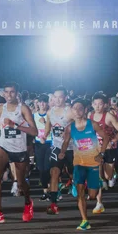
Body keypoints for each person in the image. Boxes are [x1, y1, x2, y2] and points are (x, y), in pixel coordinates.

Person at [0, 82, 38, 224]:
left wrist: (15, 125)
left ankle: (28, 202)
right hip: (4, 146)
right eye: (7, 92)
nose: (9, 95)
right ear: (3, 93)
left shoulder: (23, 109)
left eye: (12, 92)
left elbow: (34, 131)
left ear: (17, 93)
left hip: (19, 149)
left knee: (21, 183)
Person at [58, 98, 107, 231]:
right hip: (79, 163)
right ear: (72, 111)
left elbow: (106, 137)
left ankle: (98, 182)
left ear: (85, 110)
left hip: (93, 163)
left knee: (91, 195)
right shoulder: (70, 127)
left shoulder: (93, 124)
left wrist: (101, 154)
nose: (77, 111)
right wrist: (62, 152)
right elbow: (66, 141)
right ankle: (85, 220)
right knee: (80, 193)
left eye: (80, 108)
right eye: (75, 109)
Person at [91, 92, 118, 212]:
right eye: (95, 104)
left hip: (109, 149)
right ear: (92, 104)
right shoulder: (90, 116)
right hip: (96, 149)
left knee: (107, 176)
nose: (97, 106)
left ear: (104, 105)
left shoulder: (109, 116)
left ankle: (112, 174)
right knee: (97, 176)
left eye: (100, 104)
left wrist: (114, 140)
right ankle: (99, 203)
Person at [46, 87, 73, 215]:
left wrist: (69, 132)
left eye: (60, 97)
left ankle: (79, 193)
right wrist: (42, 137)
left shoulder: (70, 112)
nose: (57, 99)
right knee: (55, 172)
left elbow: (79, 127)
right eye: (55, 97)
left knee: (73, 174)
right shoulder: (50, 112)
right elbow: (48, 129)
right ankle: (53, 203)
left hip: (72, 148)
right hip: (56, 147)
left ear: (65, 98)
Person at [32, 94, 52, 201]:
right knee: (41, 169)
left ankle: (52, 190)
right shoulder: (34, 116)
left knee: (48, 168)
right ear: (38, 103)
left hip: (49, 143)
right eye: (41, 102)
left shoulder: (50, 115)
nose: (42, 104)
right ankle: (45, 191)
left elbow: (54, 129)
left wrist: (45, 123)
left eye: (44, 102)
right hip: (38, 143)